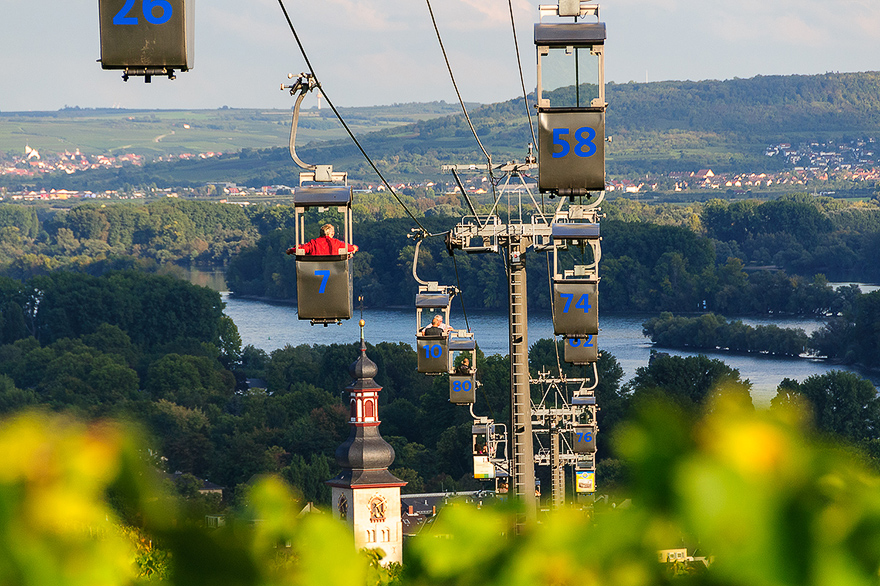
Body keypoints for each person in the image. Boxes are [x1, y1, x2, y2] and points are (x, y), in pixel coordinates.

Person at [286, 223, 357, 256]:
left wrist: (291, 250)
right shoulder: (336, 243)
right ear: (331, 234)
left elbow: (301, 249)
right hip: (334, 272)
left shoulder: (313, 243)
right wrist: (354, 247)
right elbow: (350, 248)